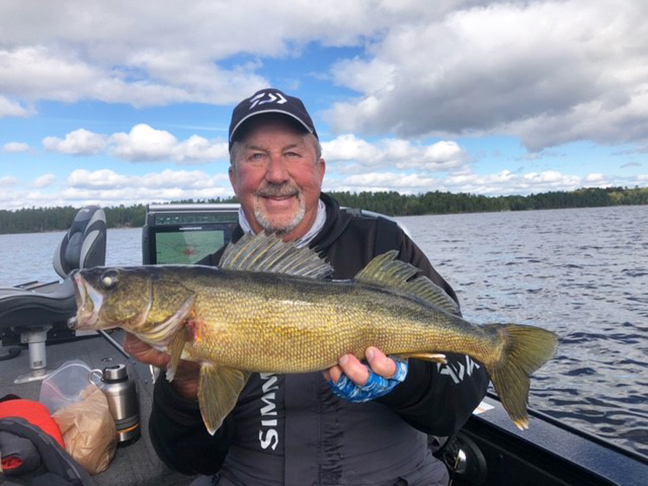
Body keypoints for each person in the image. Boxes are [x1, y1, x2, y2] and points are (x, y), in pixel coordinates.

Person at [124, 88, 489, 486]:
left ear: (320, 169)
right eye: (256, 156)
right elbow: (189, 459)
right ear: (233, 178)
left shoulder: (384, 245)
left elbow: (459, 394)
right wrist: (187, 386)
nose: (276, 174)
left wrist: (406, 382)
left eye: (293, 154)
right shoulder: (200, 285)